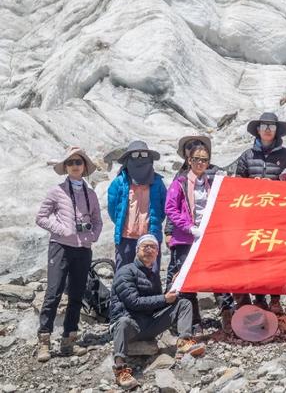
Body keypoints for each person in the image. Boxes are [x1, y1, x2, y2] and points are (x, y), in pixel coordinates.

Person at [109, 235, 205, 390]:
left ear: (157, 253)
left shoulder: (152, 274)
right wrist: (164, 298)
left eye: (153, 247)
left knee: (184, 303)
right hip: (130, 325)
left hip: (149, 323)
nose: (149, 250)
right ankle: (120, 369)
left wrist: (173, 287)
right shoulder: (125, 272)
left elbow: (158, 303)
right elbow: (133, 303)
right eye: (145, 246)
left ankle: (183, 342)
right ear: (137, 250)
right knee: (122, 322)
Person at [35, 147, 103, 363]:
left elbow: (97, 219)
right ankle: (44, 341)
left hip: (83, 249)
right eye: (71, 162)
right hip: (60, 247)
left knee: (76, 295)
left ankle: (68, 341)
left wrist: (93, 235)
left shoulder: (90, 193)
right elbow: (41, 217)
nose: (75, 165)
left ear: (84, 167)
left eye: (78, 162)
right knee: (53, 292)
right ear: (65, 167)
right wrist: (62, 230)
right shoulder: (57, 191)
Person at [235, 112, 286, 314]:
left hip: (277, 215)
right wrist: (253, 186)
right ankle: (260, 298)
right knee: (256, 256)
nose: (268, 129)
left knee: (276, 257)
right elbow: (237, 184)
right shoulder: (246, 156)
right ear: (258, 129)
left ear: (277, 129)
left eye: (271, 125)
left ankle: (275, 298)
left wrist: (275, 184)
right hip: (252, 216)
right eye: (264, 125)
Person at [164, 141, 216, 333]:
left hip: (207, 237)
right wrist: (188, 227)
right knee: (186, 280)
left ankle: (226, 314)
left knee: (215, 276)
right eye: (196, 159)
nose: (200, 163)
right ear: (189, 160)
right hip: (186, 239)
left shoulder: (212, 182)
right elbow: (170, 208)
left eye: (204, 160)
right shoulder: (180, 182)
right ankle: (192, 322)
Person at [107, 141, 167, 274]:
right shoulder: (119, 182)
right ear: (128, 159)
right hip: (126, 237)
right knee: (124, 273)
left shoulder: (157, 182)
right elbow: (113, 209)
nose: (140, 158)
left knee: (150, 274)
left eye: (144, 154)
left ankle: (150, 295)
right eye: (135, 155)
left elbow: (163, 209)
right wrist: (123, 224)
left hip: (150, 237)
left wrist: (153, 223)